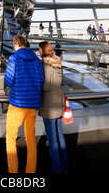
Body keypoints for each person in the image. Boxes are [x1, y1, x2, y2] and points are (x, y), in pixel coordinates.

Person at [4, 35, 44, 174]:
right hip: (32, 104)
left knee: (10, 138)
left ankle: (13, 172)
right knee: (31, 140)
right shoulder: (36, 60)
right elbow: (41, 80)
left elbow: (9, 81)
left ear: (16, 44)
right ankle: (30, 172)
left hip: (17, 103)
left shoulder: (14, 58)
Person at [38, 41, 68, 174]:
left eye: (39, 49)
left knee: (52, 138)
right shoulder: (57, 62)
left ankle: (56, 168)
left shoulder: (44, 64)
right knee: (59, 134)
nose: (38, 51)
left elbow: (45, 86)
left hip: (50, 104)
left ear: (43, 50)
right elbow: (60, 81)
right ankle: (64, 165)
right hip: (59, 100)